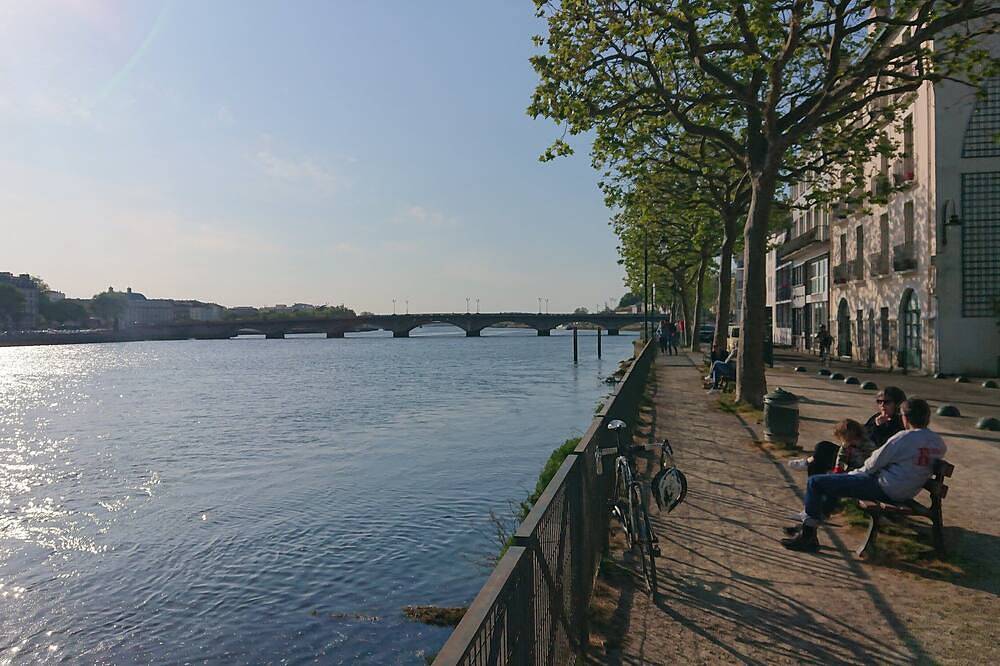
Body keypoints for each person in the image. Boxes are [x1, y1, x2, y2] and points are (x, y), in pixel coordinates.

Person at [781, 398, 946, 552]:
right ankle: (808, 527)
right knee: (832, 484)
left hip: (884, 487)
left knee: (816, 482)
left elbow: (873, 463)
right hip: (907, 490)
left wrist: (851, 475)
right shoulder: (937, 442)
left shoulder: (904, 438)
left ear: (906, 418)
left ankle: (808, 535)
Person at [788, 418, 875, 476]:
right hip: (847, 466)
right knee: (820, 451)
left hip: (856, 471)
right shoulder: (848, 444)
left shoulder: (866, 446)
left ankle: (808, 463)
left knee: (820, 454)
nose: (842, 442)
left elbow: (861, 464)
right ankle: (815, 488)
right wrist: (837, 469)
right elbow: (841, 456)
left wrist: (843, 471)